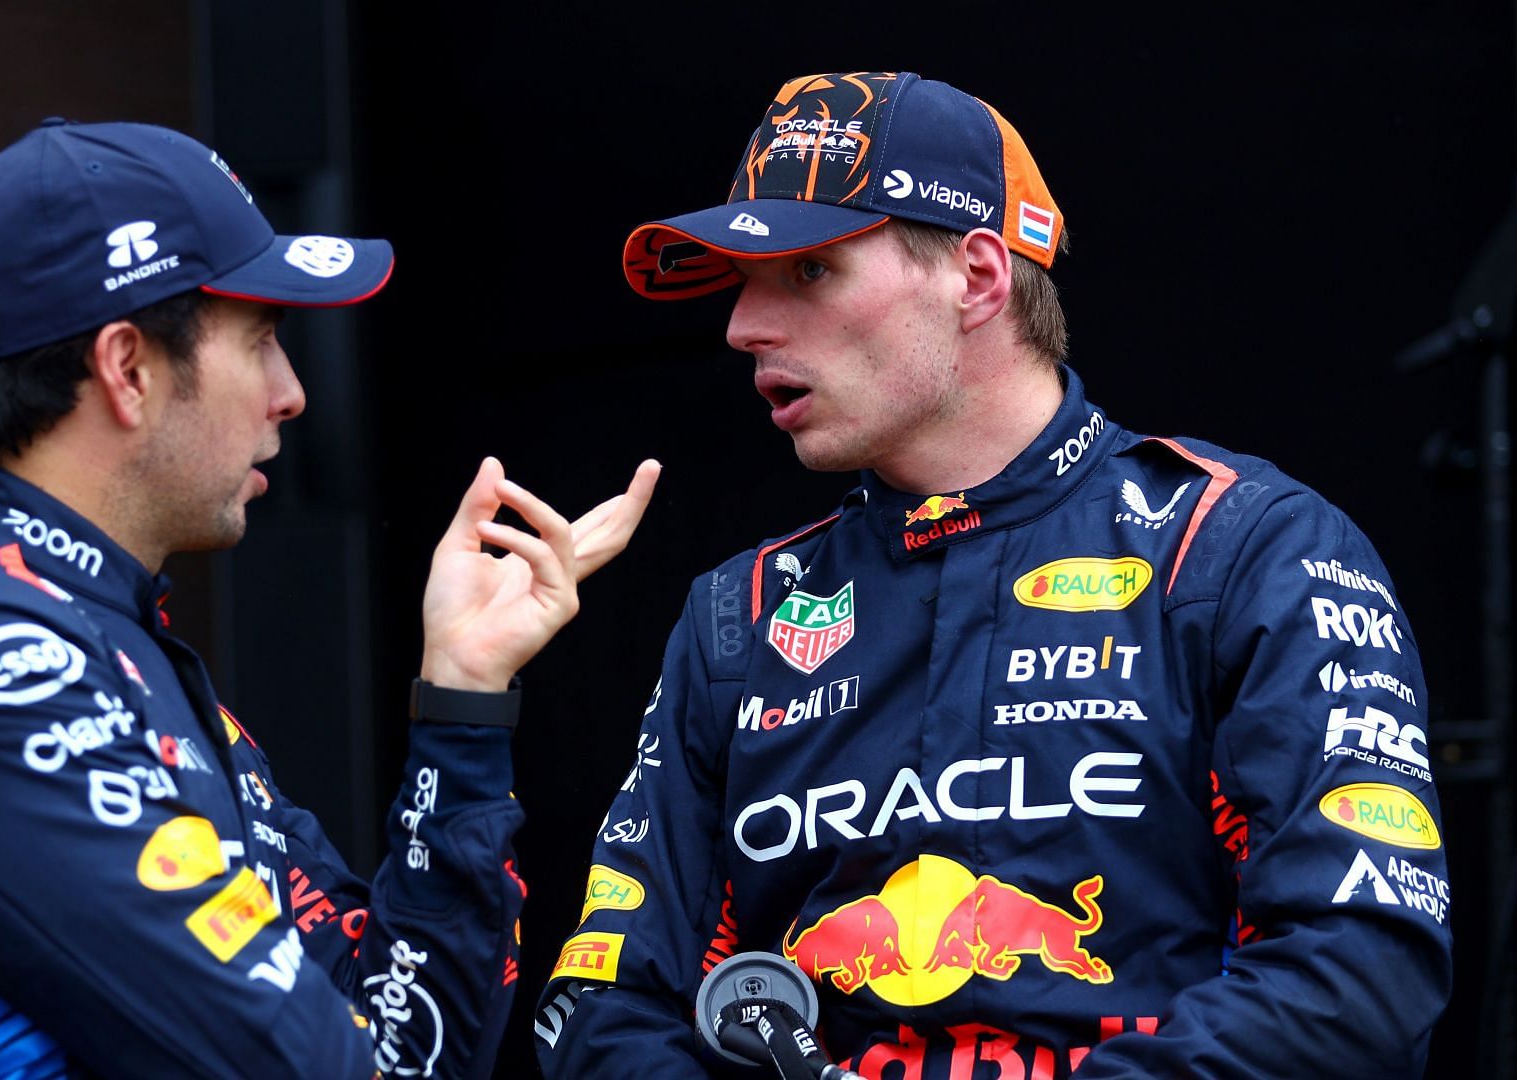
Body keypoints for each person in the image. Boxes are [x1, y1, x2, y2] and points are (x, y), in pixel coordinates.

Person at [535, 71, 1450, 1078]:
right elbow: (601, 1006)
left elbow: (1363, 966)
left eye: (808, 274)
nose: (742, 326)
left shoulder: (1241, 548)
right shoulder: (741, 618)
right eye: (742, 283)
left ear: (977, 278)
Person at [0, 118, 658, 1078]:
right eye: (262, 339)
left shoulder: (108, 640)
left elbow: (405, 1049)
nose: (291, 392)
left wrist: (462, 699)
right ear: (128, 369)